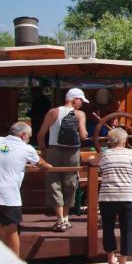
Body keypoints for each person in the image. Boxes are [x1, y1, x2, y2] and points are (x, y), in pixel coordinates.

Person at [0, 121, 53, 255]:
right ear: (23, 135)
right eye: (29, 137)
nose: (28, 140)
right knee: (11, 230)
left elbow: (6, 156)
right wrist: (46, 166)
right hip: (8, 194)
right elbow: (44, 165)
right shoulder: (27, 148)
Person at [37, 87, 89, 232]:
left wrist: (44, 150)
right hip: (72, 152)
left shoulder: (53, 112)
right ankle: (65, 218)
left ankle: (60, 219)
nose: (82, 104)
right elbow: (84, 135)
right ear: (75, 100)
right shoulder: (80, 114)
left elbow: (41, 135)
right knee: (70, 182)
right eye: (81, 101)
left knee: (54, 182)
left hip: (53, 150)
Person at [96, 127, 132, 264]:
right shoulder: (131, 153)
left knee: (108, 228)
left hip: (107, 197)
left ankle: (110, 259)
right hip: (127, 196)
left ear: (110, 141)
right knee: (126, 229)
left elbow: (93, 163)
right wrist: (129, 186)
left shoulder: (104, 154)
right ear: (124, 140)